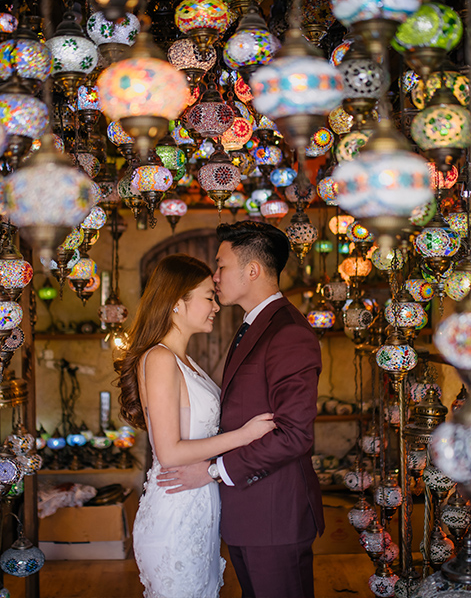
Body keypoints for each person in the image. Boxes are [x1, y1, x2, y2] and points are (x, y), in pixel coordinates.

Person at [158, 222, 325, 598]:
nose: (215, 277)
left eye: (221, 266)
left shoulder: (288, 333)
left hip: (274, 514)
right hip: (249, 513)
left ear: (252, 271)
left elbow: (294, 434)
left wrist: (215, 470)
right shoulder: (253, 326)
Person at [115, 253, 277, 598]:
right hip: (175, 515)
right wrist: (244, 435)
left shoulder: (185, 361)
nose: (216, 306)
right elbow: (170, 452)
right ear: (177, 302)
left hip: (200, 507)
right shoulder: (159, 359)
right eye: (208, 297)